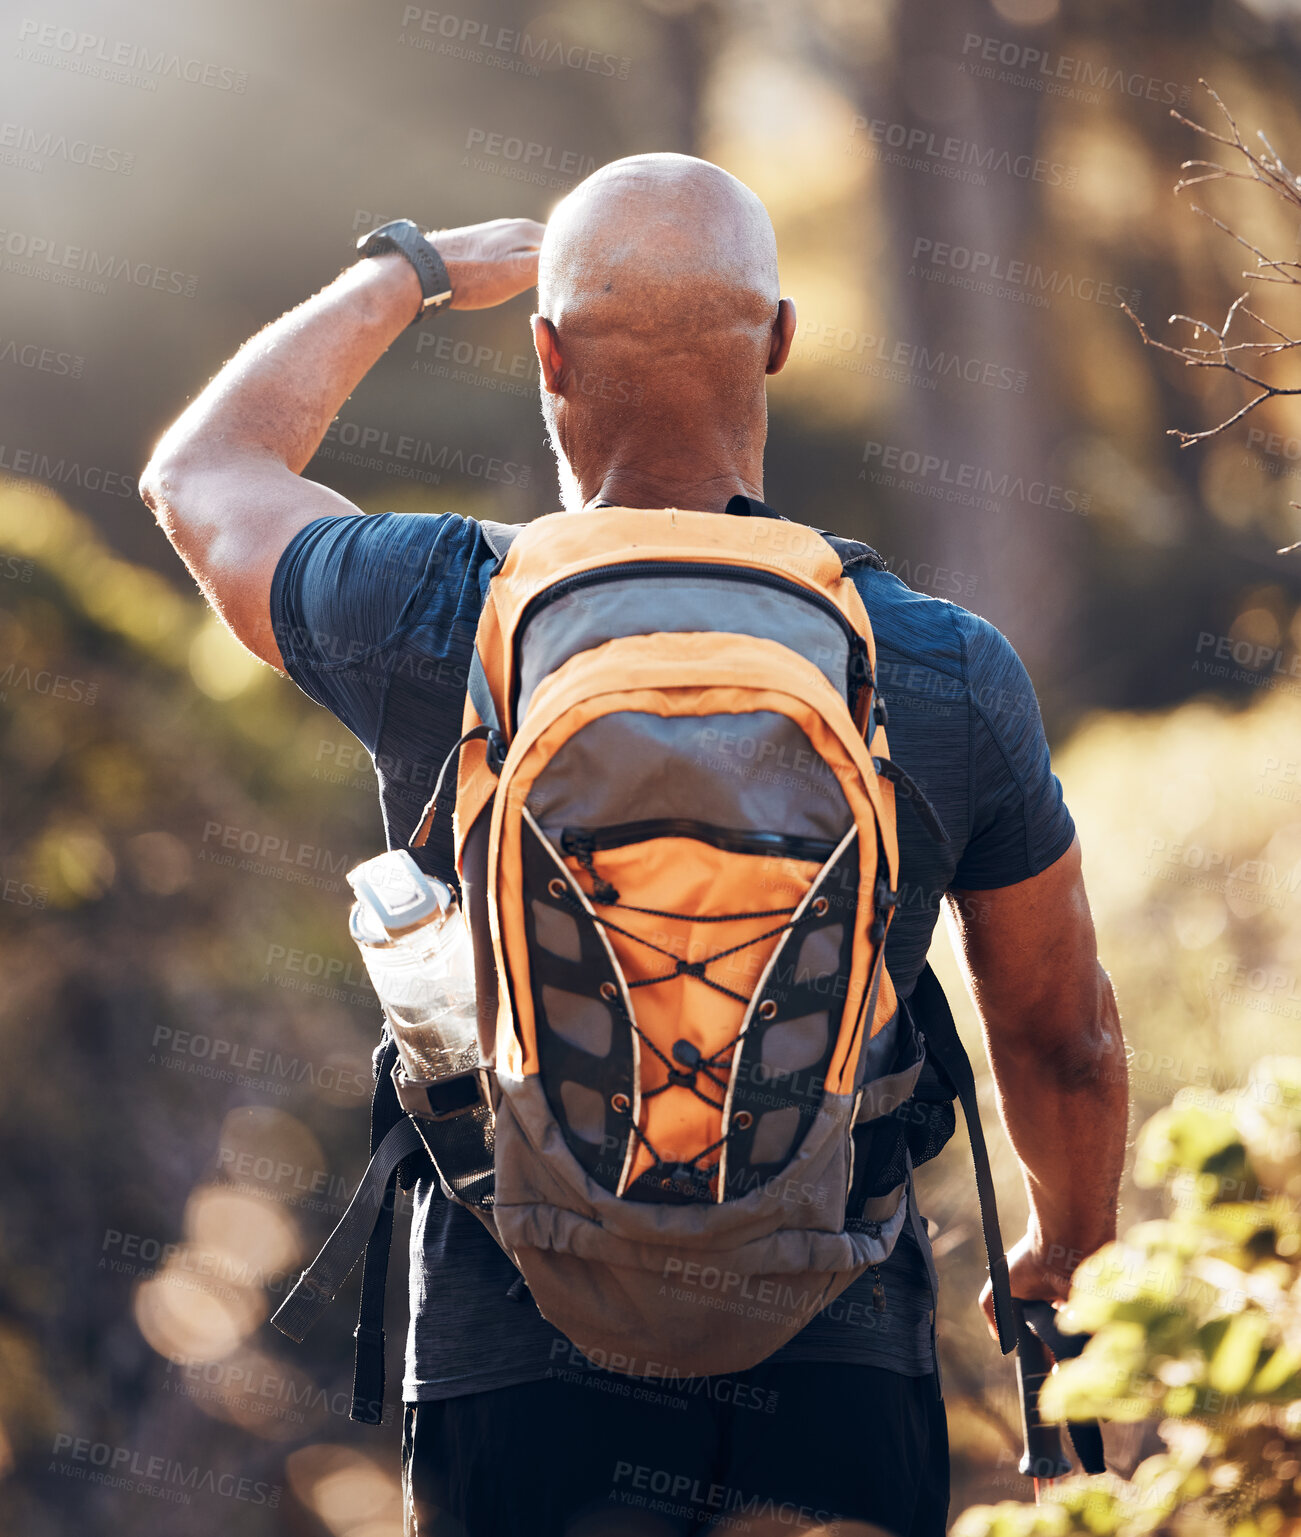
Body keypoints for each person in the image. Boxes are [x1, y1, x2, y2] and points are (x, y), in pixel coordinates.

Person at [141, 153, 1128, 1537]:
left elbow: (199, 474)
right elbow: (1057, 1029)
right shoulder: (936, 658)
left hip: (513, 1338)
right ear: (779, 338)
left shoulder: (441, 607)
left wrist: (411, 271)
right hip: (833, 1339)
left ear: (544, 350)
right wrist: (1060, 1256)